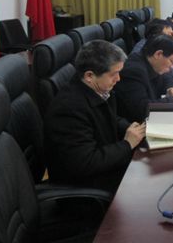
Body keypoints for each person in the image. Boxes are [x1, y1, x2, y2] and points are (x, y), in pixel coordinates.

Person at [44, 40, 146, 194]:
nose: (118, 79)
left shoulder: (99, 90)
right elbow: (86, 162)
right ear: (89, 76)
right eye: (113, 74)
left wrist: (132, 128)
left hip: (106, 169)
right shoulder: (69, 109)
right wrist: (127, 144)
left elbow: (110, 118)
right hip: (87, 189)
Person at [115, 34, 173, 123]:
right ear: (158, 54)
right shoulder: (133, 71)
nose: (172, 66)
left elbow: (166, 76)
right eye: (171, 61)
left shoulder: (151, 62)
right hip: (136, 125)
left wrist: (171, 87)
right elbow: (142, 110)